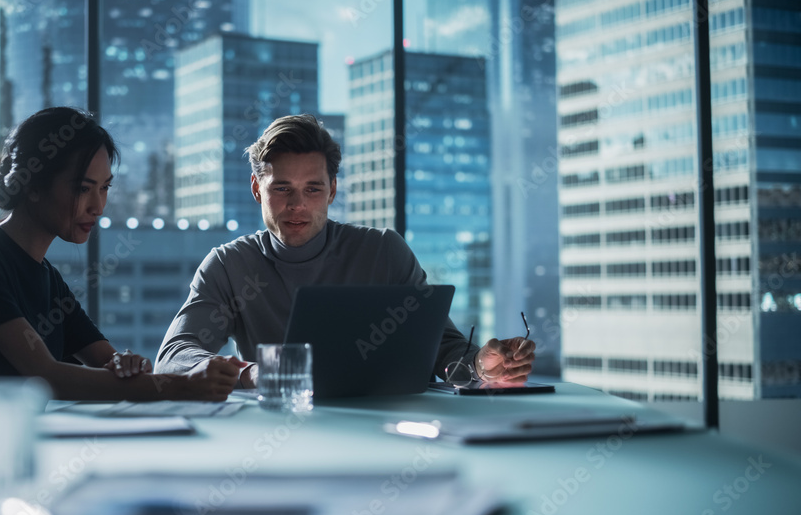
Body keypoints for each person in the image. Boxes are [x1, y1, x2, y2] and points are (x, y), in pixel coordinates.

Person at [155, 113, 535, 386]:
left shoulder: (384, 251)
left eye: (313, 189)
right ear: (257, 189)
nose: (297, 205)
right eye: (281, 188)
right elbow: (174, 356)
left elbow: (443, 349)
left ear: (333, 191)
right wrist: (249, 372)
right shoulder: (228, 264)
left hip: (386, 425)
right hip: (281, 426)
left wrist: (482, 366)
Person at [0, 107, 238, 401]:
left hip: (6, 446)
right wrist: (184, 384)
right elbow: (46, 377)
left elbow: (105, 360)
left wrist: (123, 363)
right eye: (82, 189)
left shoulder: (48, 279)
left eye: (104, 188)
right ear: (32, 185)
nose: (97, 207)